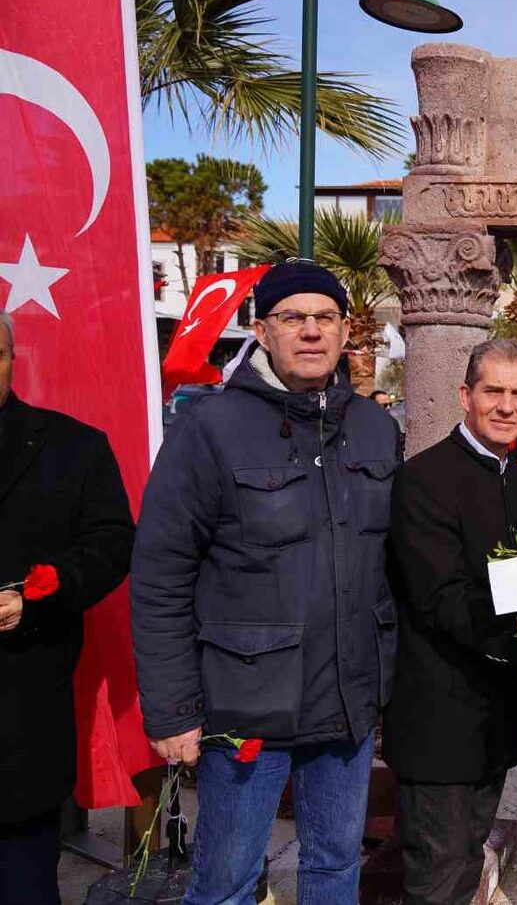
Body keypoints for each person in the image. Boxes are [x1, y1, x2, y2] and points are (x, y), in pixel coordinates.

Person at [131, 261, 401, 904]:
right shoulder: (210, 428)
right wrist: (172, 711)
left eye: (325, 317)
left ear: (343, 333)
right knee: (227, 880)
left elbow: (393, 564)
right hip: (245, 705)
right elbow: (161, 575)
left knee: (336, 867)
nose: (311, 331)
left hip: (347, 704)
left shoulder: (374, 428)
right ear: (262, 330)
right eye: (292, 317)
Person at [382, 340, 517, 905]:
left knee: (468, 867)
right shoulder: (425, 477)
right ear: (465, 396)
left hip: (494, 721)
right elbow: (440, 597)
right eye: (493, 391)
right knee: (438, 879)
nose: (506, 405)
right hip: (439, 724)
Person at [0, 312, 135, 905]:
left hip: (21, 706)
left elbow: (111, 543)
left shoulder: (73, 446)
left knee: (24, 876)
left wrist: (33, 599)